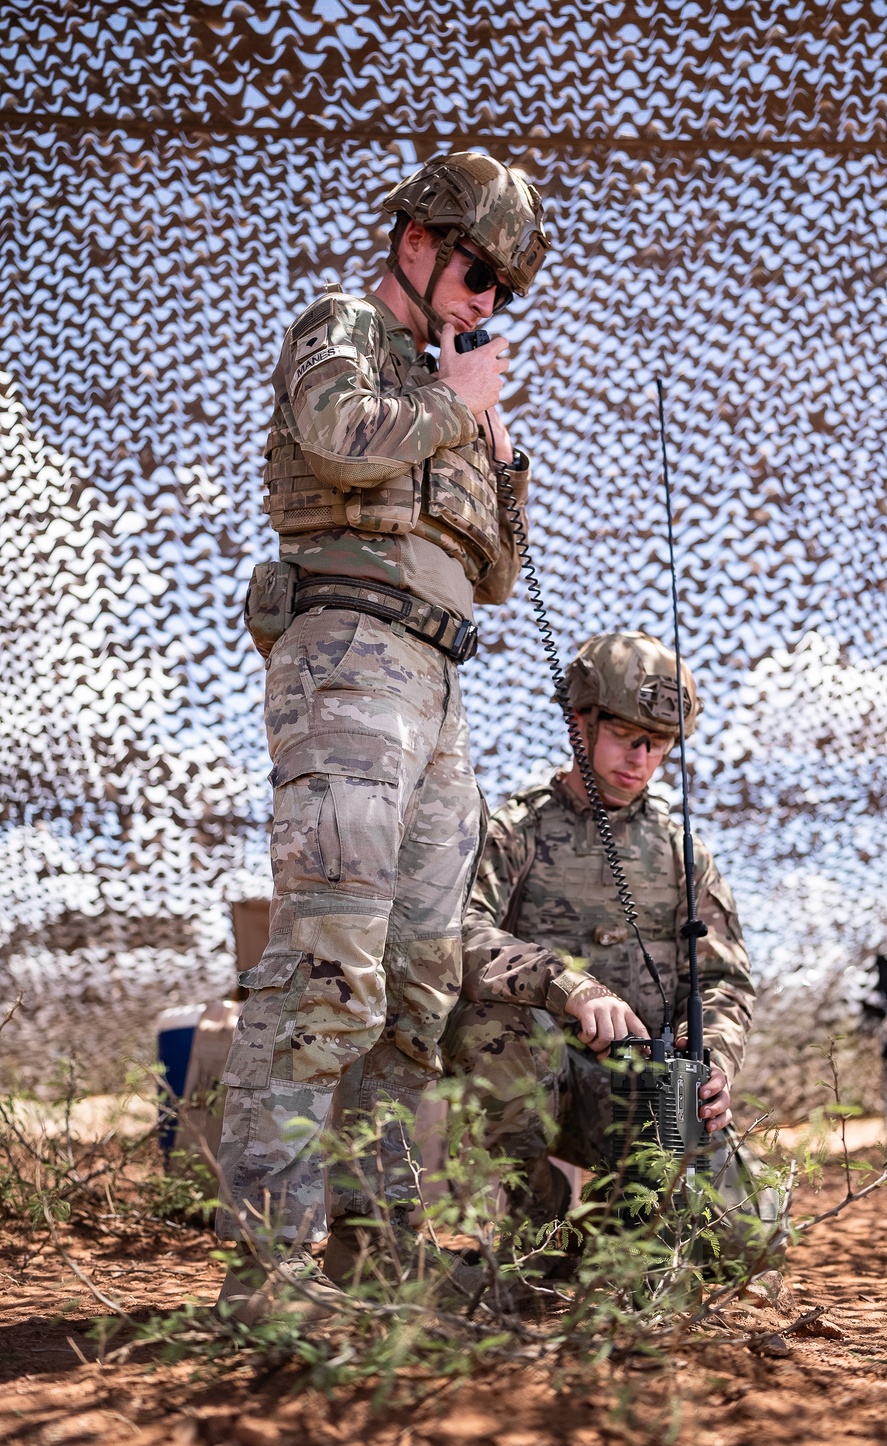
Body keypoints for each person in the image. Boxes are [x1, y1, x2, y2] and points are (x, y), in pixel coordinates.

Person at [214, 153, 550, 1305]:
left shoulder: (449, 387)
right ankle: (269, 1271)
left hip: (439, 683)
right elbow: (336, 435)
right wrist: (452, 405)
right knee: (328, 966)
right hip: (349, 660)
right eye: (475, 270)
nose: (485, 301)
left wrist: (498, 462)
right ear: (417, 240)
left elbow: (496, 576)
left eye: (503, 288)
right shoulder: (346, 327)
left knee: (418, 984)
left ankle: (378, 1247)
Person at [444, 630, 786, 1259]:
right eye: (627, 736)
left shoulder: (683, 854)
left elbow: (725, 981)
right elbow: (457, 934)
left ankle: (599, 1235)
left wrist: (714, 1058)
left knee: (745, 1244)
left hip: (647, 1094)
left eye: (657, 745)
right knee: (490, 1025)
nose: (642, 757)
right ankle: (534, 1220)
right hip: (546, 1078)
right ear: (580, 721)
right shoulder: (517, 830)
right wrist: (568, 986)